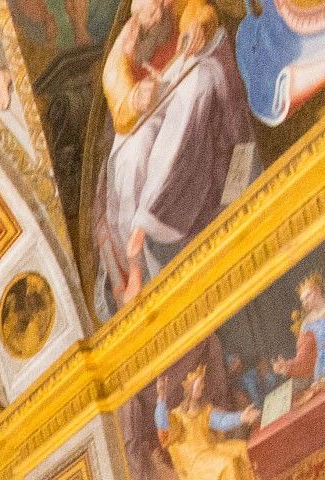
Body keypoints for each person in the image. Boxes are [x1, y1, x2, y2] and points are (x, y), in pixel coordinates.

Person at [93, 0, 252, 311]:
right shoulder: (126, 45)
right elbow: (121, 107)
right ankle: (135, 259)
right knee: (132, 151)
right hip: (150, 110)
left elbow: (200, 13)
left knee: (198, 82)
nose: (147, 21)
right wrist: (137, 99)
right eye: (140, 16)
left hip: (189, 84)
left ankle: (145, 223)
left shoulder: (178, 8)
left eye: (152, 12)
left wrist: (196, 30)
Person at [153, 363, 260, 480]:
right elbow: (162, 426)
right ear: (190, 388)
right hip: (194, 463)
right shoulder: (177, 416)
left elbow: (222, 421)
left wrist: (242, 417)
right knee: (225, 464)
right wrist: (161, 398)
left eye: (202, 384)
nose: (202, 388)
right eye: (199, 384)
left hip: (210, 450)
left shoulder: (203, 411)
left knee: (242, 449)